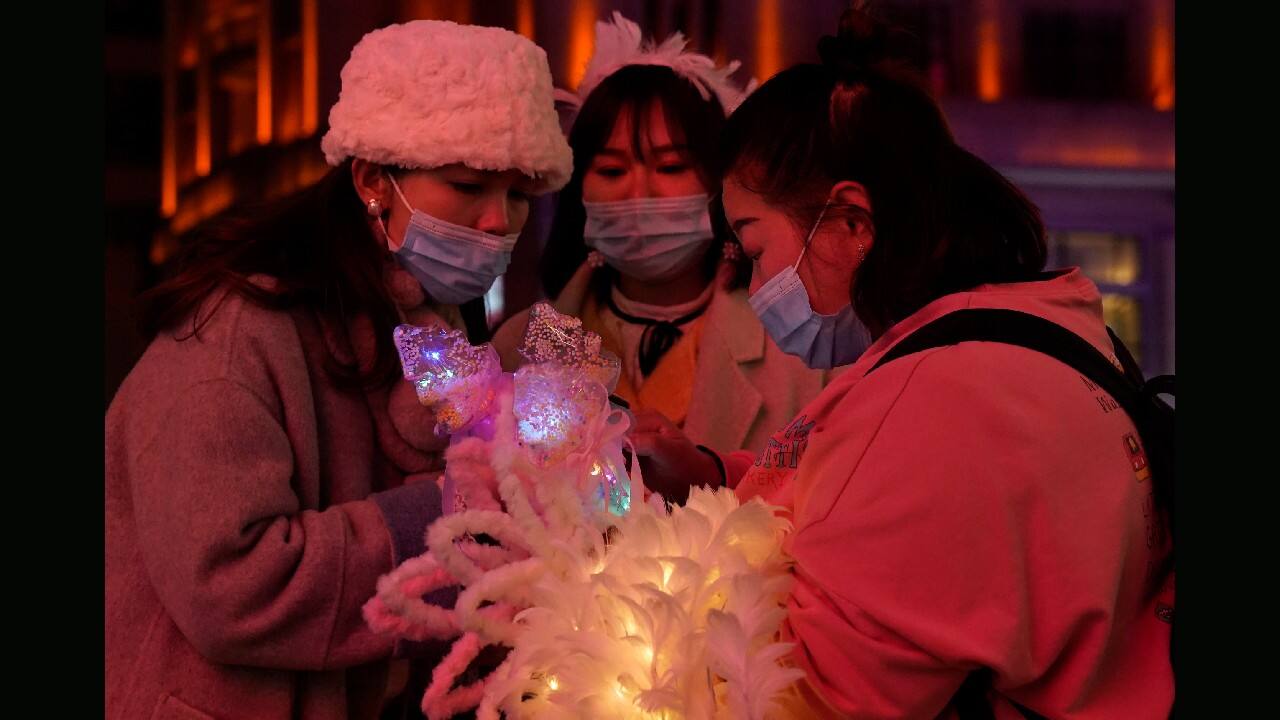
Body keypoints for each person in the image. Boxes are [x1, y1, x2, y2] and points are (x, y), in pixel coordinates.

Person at [631, 6, 1174, 717]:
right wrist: (714, 476)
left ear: (852, 222)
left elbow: (808, 698)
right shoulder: (1035, 325)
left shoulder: (933, 400)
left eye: (755, 248)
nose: (752, 285)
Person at [105, 19, 571, 720]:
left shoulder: (433, 326)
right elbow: (229, 583)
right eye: (467, 185)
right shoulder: (236, 331)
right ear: (371, 180)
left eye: (517, 196)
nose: (495, 222)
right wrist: (457, 519)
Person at [491, 12, 834, 458]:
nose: (640, 193)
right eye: (612, 170)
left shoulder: (803, 351)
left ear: (721, 185)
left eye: (670, 167)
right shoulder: (518, 348)